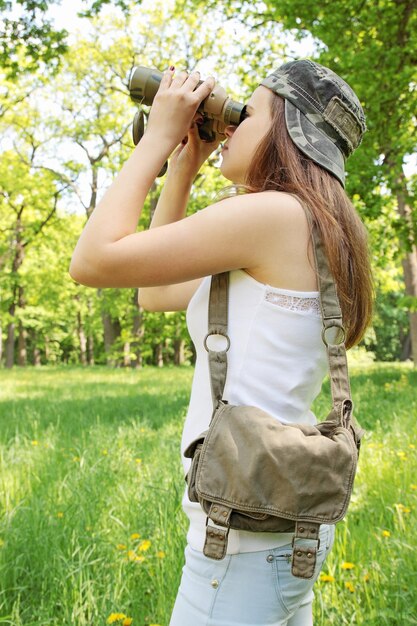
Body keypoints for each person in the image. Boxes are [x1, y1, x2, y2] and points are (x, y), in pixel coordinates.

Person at [69, 59, 373, 625]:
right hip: (276, 523)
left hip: (241, 542)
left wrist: (157, 140)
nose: (229, 126)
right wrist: (185, 166)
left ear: (285, 131)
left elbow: (91, 261)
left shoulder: (271, 215)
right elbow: (155, 294)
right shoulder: (314, 221)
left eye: (246, 114)